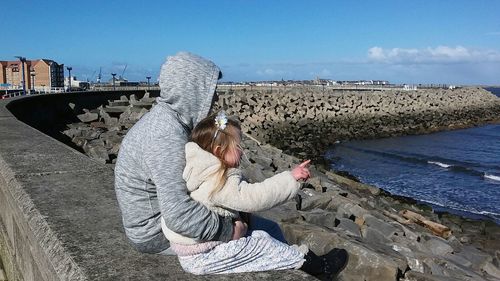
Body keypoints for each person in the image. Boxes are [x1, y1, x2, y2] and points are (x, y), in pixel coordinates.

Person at [114, 52, 284, 254]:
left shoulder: (168, 121)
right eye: (211, 89)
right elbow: (178, 214)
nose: (216, 96)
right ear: (193, 90)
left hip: (159, 223)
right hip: (156, 234)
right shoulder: (165, 136)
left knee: (259, 223)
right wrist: (228, 230)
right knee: (268, 235)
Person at [161, 111, 349, 279]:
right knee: (263, 242)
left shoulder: (204, 170)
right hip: (202, 256)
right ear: (219, 151)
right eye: (238, 147)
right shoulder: (215, 180)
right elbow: (254, 197)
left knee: (269, 227)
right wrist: (291, 179)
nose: (242, 152)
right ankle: (318, 267)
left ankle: (287, 261)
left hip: (205, 244)